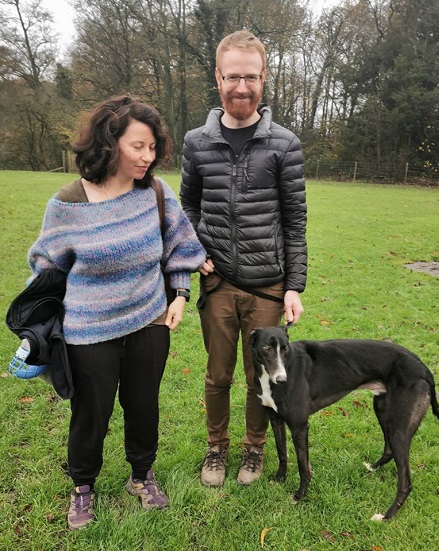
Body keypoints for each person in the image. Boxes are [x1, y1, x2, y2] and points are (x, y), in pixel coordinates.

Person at [28, 95, 206, 530]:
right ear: (109, 144)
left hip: (150, 321)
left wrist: (179, 295)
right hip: (88, 331)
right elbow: (45, 266)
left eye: (152, 147)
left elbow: (180, 248)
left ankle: (142, 476)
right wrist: (38, 327)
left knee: (143, 406)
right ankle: (83, 487)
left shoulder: (156, 195)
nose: (148, 157)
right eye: (138, 147)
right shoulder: (68, 203)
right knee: (92, 412)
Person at [180, 30, 307, 488]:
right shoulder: (196, 142)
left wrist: (294, 285)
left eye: (250, 77)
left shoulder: (284, 144)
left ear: (263, 78)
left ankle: (254, 450)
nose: (241, 87)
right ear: (218, 77)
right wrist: (194, 251)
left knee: (263, 378)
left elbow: (295, 221)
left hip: (268, 287)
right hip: (217, 286)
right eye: (233, 76)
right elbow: (186, 209)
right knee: (218, 375)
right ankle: (217, 449)